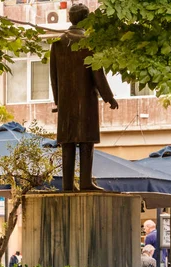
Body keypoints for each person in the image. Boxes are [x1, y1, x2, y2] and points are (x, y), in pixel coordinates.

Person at [49, 4, 119, 191]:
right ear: (86, 19)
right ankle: (86, 182)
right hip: (86, 100)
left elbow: (53, 77)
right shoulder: (88, 43)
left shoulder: (57, 43)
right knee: (86, 141)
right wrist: (108, 97)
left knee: (68, 142)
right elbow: (97, 74)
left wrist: (59, 100)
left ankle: (67, 184)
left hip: (66, 102)